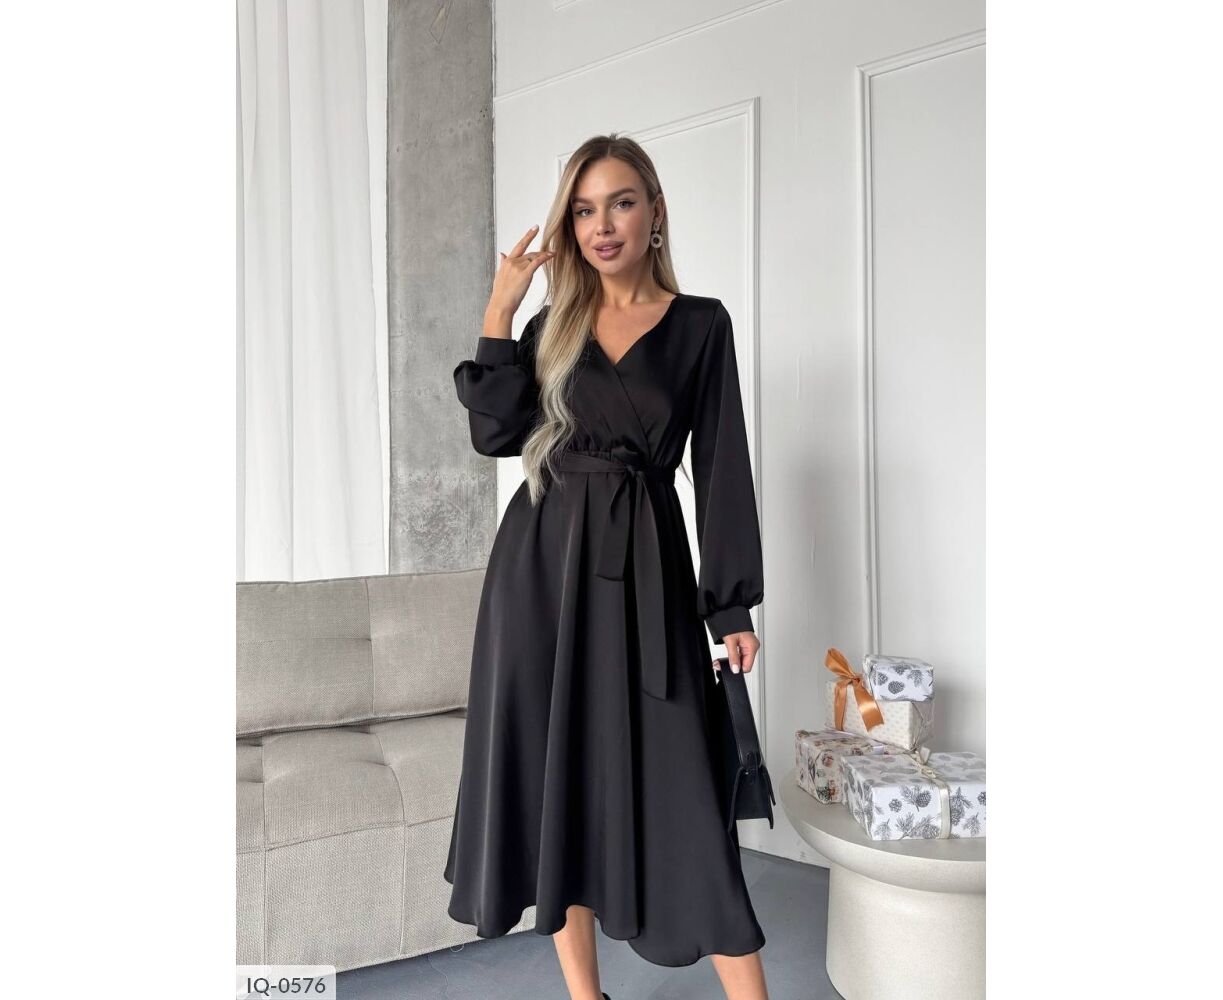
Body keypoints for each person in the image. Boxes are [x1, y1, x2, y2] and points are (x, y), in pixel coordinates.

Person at [444, 133, 770, 1000]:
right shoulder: (551, 327)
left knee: (685, 795)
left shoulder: (700, 325)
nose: (602, 225)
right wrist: (500, 309)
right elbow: (494, 434)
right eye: (583, 210)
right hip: (539, 576)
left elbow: (722, 466)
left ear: (654, 212)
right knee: (561, 788)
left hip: (648, 571)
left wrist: (729, 606)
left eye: (620, 202)